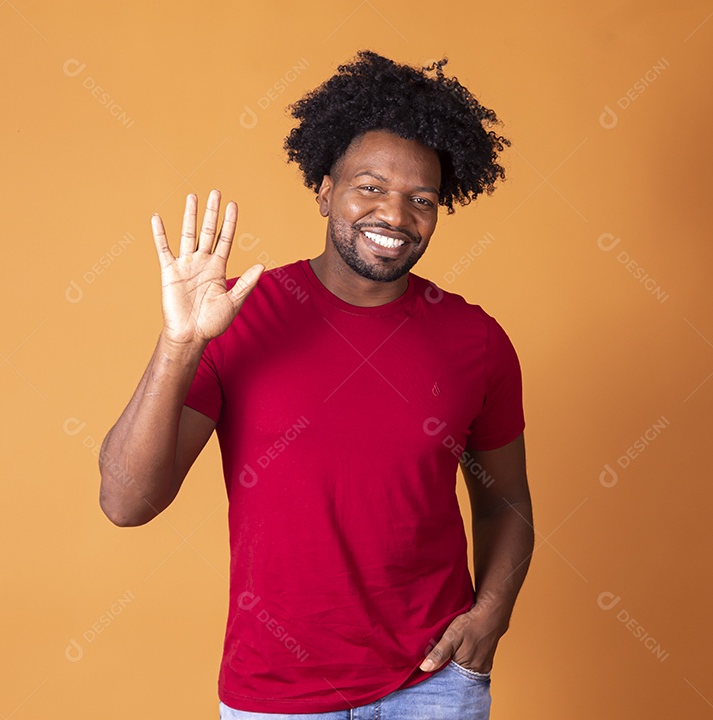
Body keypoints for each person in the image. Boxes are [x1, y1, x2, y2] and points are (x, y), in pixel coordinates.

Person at [99, 50, 534, 719]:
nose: (395, 215)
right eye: (369, 187)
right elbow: (127, 501)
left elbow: (506, 506)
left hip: (433, 688)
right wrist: (180, 344)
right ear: (325, 189)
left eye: (422, 199)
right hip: (278, 695)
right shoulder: (242, 318)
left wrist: (489, 620)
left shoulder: (475, 341)